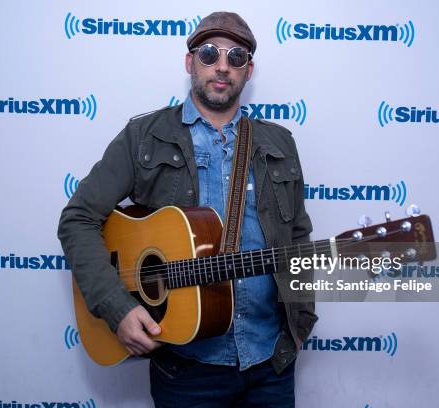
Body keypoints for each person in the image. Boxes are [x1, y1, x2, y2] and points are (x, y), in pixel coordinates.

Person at [58, 11, 317, 407]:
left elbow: (298, 238)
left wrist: (300, 323)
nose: (221, 67)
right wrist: (117, 306)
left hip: (271, 363)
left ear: (249, 71)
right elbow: (78, 219)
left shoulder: (280, 143)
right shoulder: (144, 137)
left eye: (236, 58)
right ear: (189, 62)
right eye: (210, 53)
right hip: (184, 367)